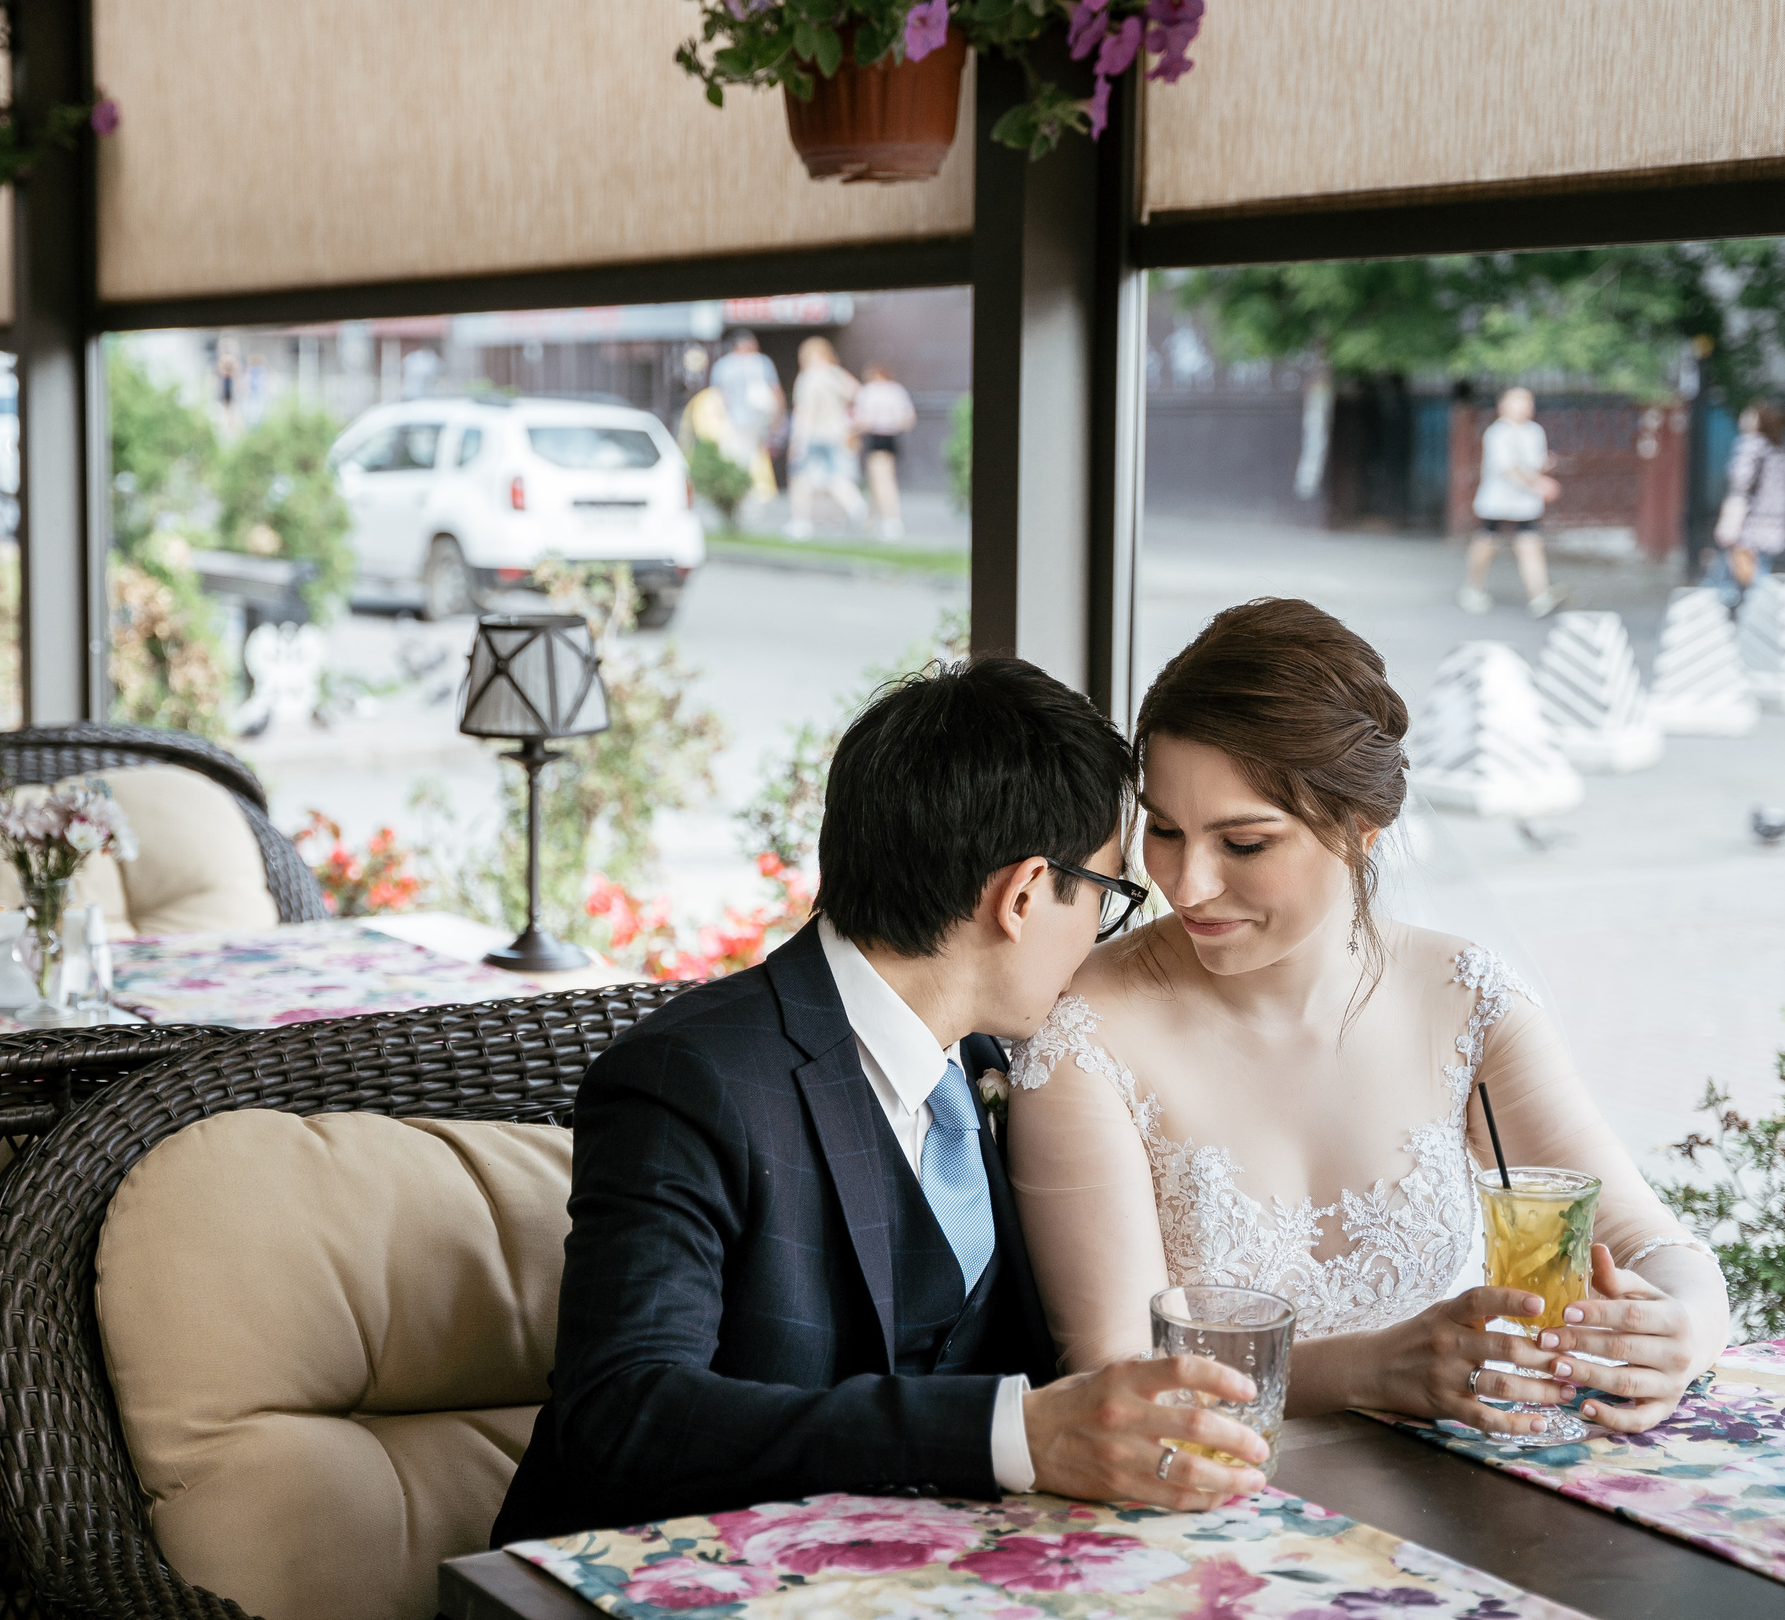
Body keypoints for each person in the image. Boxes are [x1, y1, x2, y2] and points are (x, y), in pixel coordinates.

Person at [493, 658, 1273, 1544]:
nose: (1100, 937)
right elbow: (624, 1414)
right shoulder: (687, 1079)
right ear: (1021, 896)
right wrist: (1009, 1434)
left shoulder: (1001, 1067)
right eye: (1106, 896)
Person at [1006, 598, 1730, 1439]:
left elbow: (1647, 1241)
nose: (1188, 883)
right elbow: (1115, 1377)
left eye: (1243, 844)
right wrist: (1377, 1369)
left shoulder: (1468, 1002)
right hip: (1203, 1505)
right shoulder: (1087, 1036)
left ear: (1358, 831)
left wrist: (1682, 1326)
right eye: (1165, 831)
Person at [1459, 388, 1569, 618]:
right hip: (1497, 498)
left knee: (1530, 543)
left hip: (1525, 501)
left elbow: (1535, 463)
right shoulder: (1497, 433)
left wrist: (1545, 467)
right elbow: (1508, 468)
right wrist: (1539, 484)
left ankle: (1538, 595)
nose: (1525, 406)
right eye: (1519, 401)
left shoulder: (1534, 431)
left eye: (1528, 401)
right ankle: (1472, 588)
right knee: (1487, 542)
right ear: (1503, 405)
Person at [1708, 401, 1785, 609]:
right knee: (1759, 572)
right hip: (1777, 525)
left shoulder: (1750, 446)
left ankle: (1757, 616)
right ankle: (1760, 613)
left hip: (1749, 526)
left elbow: (1740, 489)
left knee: (1745, 580)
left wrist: (1729, 523)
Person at [786, 336, 867, 539]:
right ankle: (856, 506)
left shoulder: (808, 377)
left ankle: (800, 524)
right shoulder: (835, 374)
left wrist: (797, 441)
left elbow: (804, 412)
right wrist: (850, 422)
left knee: (801, 480)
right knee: (835, 477)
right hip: (836, 435)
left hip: (812, 436)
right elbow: (858, 394)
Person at [708, 330, 784, 509]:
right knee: (742, 459)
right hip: (738, 421)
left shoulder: (756, 363)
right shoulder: (732, 365)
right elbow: (719, 397)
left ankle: (742, 496)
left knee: (744, 459)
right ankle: (741, 497)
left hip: (752, 421)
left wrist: (776, 419)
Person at [852, 365, 919, 541]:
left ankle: (891, 520)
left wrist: (852, 432)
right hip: (892, 437)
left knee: (882, 479)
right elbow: (908, 418)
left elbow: (863, 419)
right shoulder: (896, 390)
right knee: (878, 478)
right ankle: (870, 520)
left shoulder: (868, 391)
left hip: (876, 437)